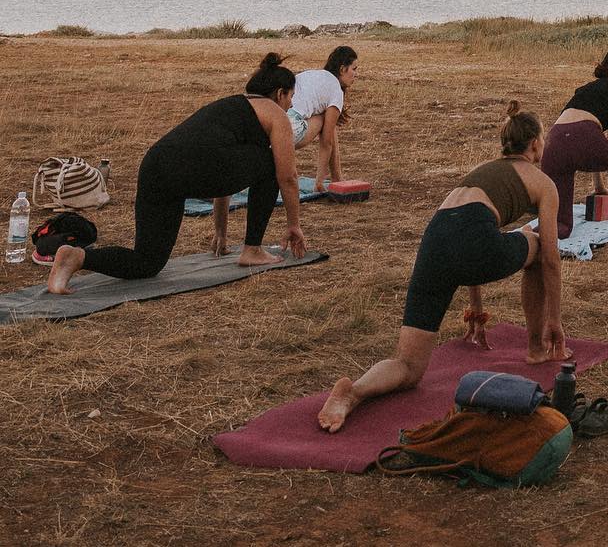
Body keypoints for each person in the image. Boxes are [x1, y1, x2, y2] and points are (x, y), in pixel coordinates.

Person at [318, 102, 566, 430]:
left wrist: (477, 311)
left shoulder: (483, 172)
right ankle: (536, 349)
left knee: (408, 367)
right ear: (535, 144)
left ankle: (353, 392)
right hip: (472, 237)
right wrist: (554, 321)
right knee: (533, 241)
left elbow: (466, 230)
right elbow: (550, 258)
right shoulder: (543, 182)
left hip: (435, 238)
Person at [46, 52, 306, 293]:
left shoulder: (230, 108)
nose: (291, 104)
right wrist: (293, 225)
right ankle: (253, 249)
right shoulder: (274, 113)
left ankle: (77, 257)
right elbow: (287, 177)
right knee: (272, 164)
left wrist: (221, 232)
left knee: (147, 262)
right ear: (280, 93)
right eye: (291, 97)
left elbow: (220, 168)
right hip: (194, 166)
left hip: (156, 165)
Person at [541, 46, 608, 239]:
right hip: (582, 137)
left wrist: (599, 186)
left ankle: (527, 235)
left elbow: (591, 136)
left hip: (553, 143)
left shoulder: (586, 89)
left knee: (561, 226)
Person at [288, 45, 357, 189]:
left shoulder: (313, 74)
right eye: (354, 69)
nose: (356, 75)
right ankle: (336, 178)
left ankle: (337, 177)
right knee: (327, 122)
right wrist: (319, 181)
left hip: (274, 125)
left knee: (328, 122)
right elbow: (327, 142)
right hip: (292, 130)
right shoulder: (336, 90)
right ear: (342, 69)